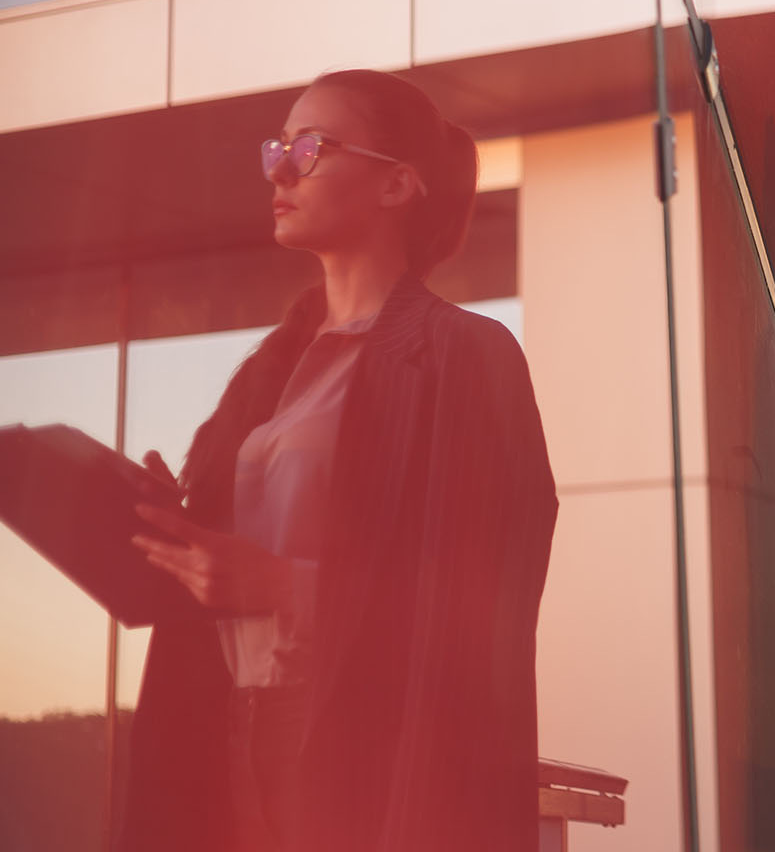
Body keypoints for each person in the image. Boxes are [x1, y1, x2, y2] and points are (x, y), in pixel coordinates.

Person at [117, 69, 559, 852]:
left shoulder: (464, 354)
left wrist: (282, 585)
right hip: (225, 726)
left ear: (397, 186)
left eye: (313, 147)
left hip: (360, 746)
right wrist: (167, 524)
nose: (282, 169)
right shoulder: (268, 374)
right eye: (279, 148)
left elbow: (486, 589)